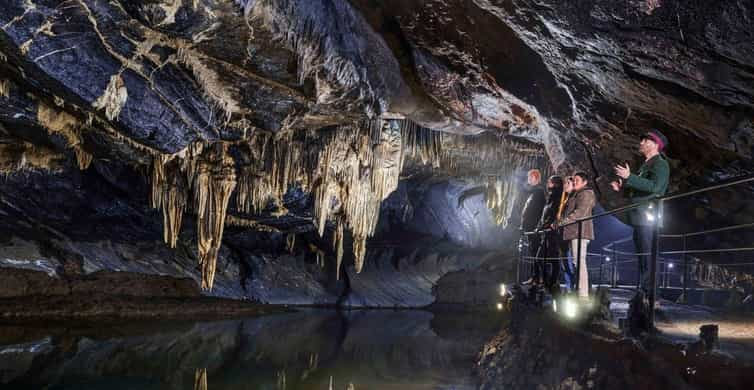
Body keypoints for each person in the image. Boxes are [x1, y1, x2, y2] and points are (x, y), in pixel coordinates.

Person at [610, 130, 670, 293]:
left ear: (655, 144)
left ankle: (651, 296)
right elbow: (640, 188)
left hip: (648, 216)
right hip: (640, 216)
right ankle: (645, 292)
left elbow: (655, 187)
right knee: (643, 256)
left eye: (645, 140)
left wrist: (630, 177)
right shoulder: (646, 164)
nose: (641, 142)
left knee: (647, 256)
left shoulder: (660, 164)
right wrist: (623, 187)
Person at [557, 172, 596, 299]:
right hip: (574, 232)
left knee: (579, 261)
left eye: (577, 180)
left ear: (585, 182)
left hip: (580, 232)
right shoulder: (577, 194)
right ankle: (580, 290)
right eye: (573, 180)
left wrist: (562, 222)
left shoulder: (586, 193)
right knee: (576, 262)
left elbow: (580, 213)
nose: (574, 182)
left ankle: (583, 293)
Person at [535, 175, 564, 293]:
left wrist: (543, 226)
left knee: (553, 258)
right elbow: (545, 214)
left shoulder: (557, 196)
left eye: (550, 182)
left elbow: (553, 214)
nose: (547, 184)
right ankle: (548, 282)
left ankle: (551, 283)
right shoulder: (551, 196)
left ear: (555, 184)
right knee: (541, 258)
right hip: (546, 232)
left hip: (552, 232)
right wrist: (540, 226)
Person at [520, 169, 546, 285]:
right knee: (533, 252)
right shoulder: (533, 192)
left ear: (535, 178)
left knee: (536, 252)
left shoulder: (539, 192)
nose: (528, 180)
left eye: (530, 178)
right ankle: (534, 277)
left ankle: (538, 277)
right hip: (530, 228)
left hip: (535, 229)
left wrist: (536, 227)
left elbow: (538, 211)